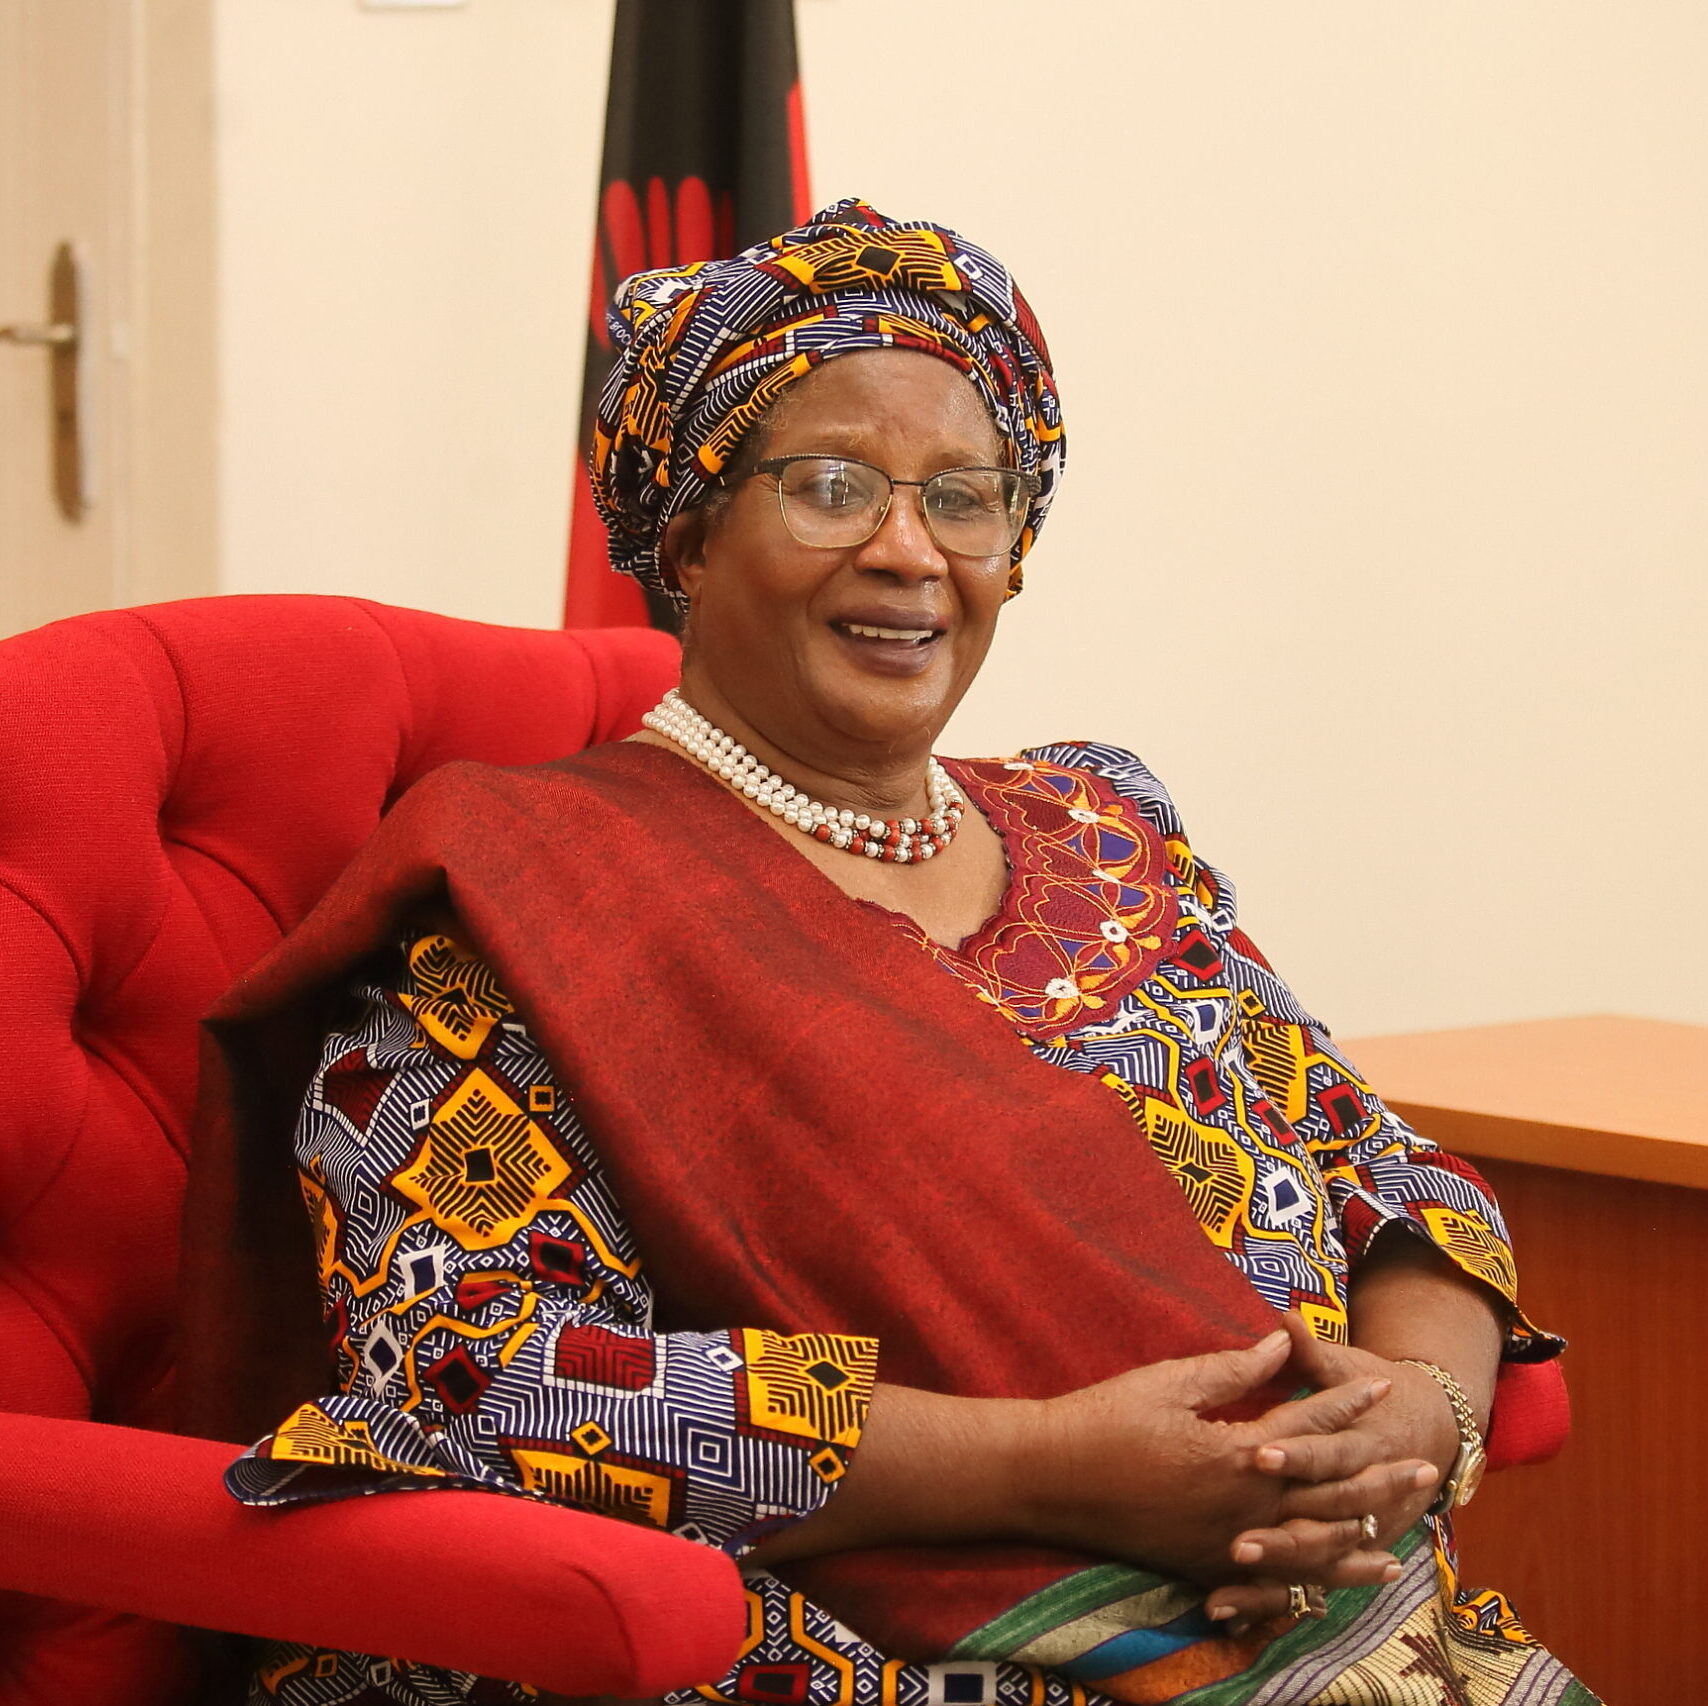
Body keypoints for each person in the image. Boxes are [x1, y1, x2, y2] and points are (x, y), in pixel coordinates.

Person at [203, 200, 1594, 1705]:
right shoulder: (514, 902)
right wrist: (1055, 1467)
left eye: (966, 497)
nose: (908, 551)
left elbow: (1386, 1168)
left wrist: (1420, 1405)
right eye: (830, 486)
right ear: (688, 533)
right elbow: (491, 1380)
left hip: (1322, 1618)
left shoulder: (1108, 830)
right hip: (820, 1644)